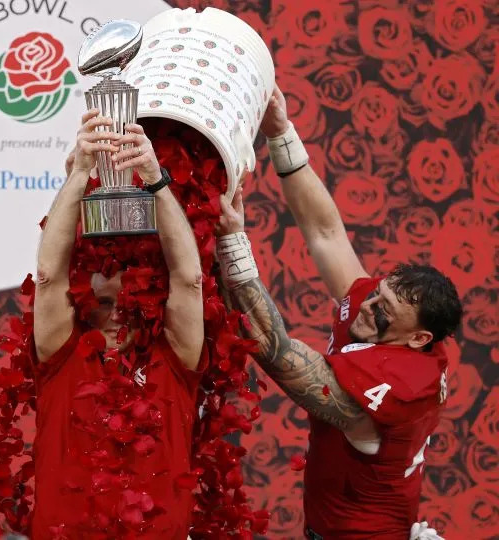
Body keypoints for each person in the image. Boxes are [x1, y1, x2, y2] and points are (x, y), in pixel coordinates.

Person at [213, 86, 462, 539]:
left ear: (418, 339)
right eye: (377, 293)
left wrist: (233, 243)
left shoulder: (396, 388)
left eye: (384, 308)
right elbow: (325, 232)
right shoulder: (387, 322)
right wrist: (280, 132)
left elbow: (274, 350)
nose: (366, 305)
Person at [32, 109, 206, 537]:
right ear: (81, 303)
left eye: (129, 301)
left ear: (152, 303)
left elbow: (190, 279)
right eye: (102, 302)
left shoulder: (174, 361)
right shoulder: (62, 357)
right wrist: (80, 174)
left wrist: (154, 178)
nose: (116, 315)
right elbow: (49, 275)